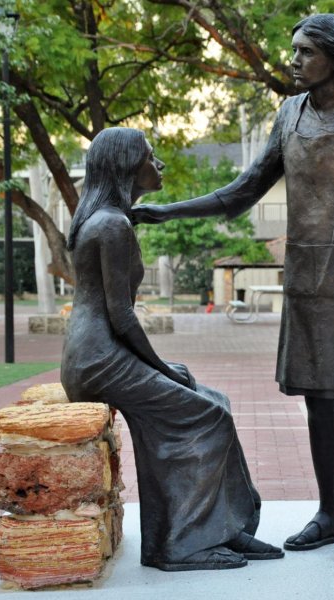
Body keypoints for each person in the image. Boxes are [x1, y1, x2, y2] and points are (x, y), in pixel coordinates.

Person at [133, 14, 334, 561]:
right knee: (316, 399)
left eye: (305, 51)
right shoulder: (289, 116)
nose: (294, 60)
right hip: (305, 277)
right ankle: (328, 513)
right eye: (294, 50)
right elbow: (242, 191)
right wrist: (165, 212)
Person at [61, 127, 282, 571]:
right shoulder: (111, 224)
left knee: (213, 400)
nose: (157, 165)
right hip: (98, 360)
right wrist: (160, 366)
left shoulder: (108, 218)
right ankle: (180, 545)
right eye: (150, 157)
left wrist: (162, 368)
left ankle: (226, 529)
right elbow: (121, 317)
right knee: (207, 416)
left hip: (99, 355)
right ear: (127, 166)